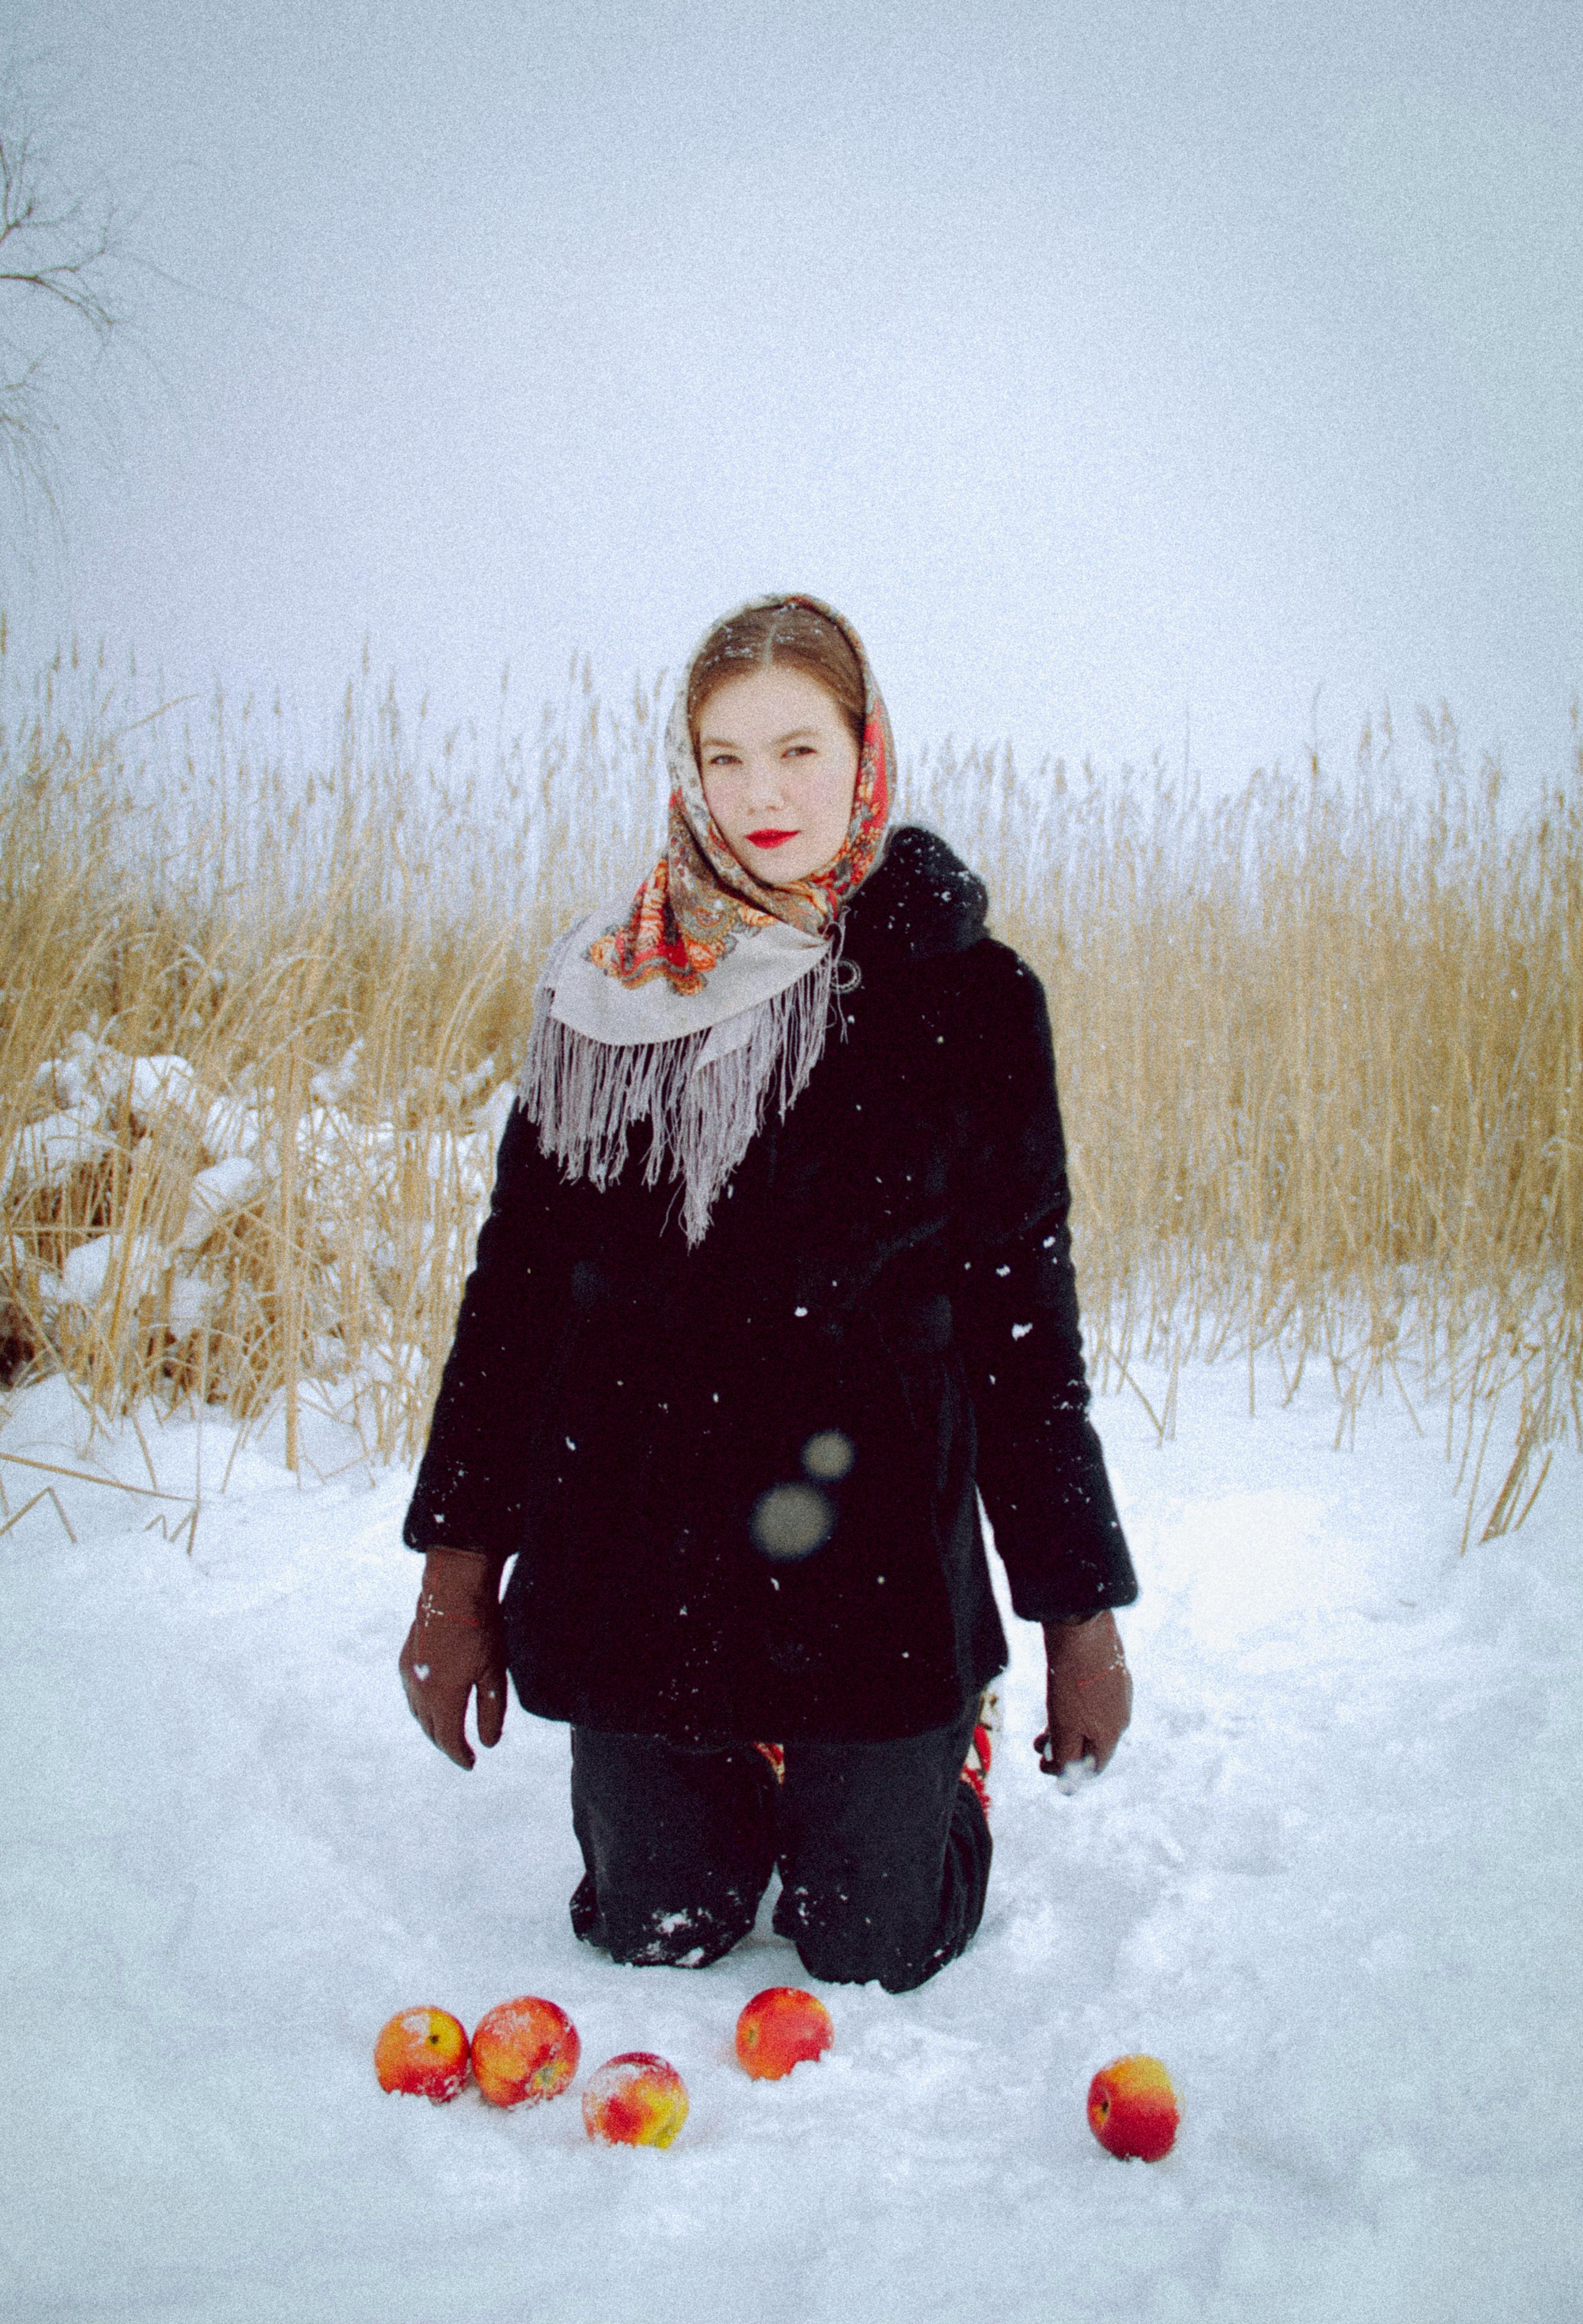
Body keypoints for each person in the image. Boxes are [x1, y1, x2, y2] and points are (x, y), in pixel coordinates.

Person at [399, 595, 1137, 1995]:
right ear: (687, 768)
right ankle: (720, 1772)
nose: (761, 797)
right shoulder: (606, 991)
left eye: (799, 749)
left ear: (869, 750)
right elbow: (518, 1298)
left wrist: (1073, 1618)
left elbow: (1023, 1328)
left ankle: (933, 1759)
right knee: (654, 1930)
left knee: (872, 1947)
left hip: (866, 1578)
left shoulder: (967, 1001)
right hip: (643, 1561)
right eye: (724, 758)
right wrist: (457, 1579)